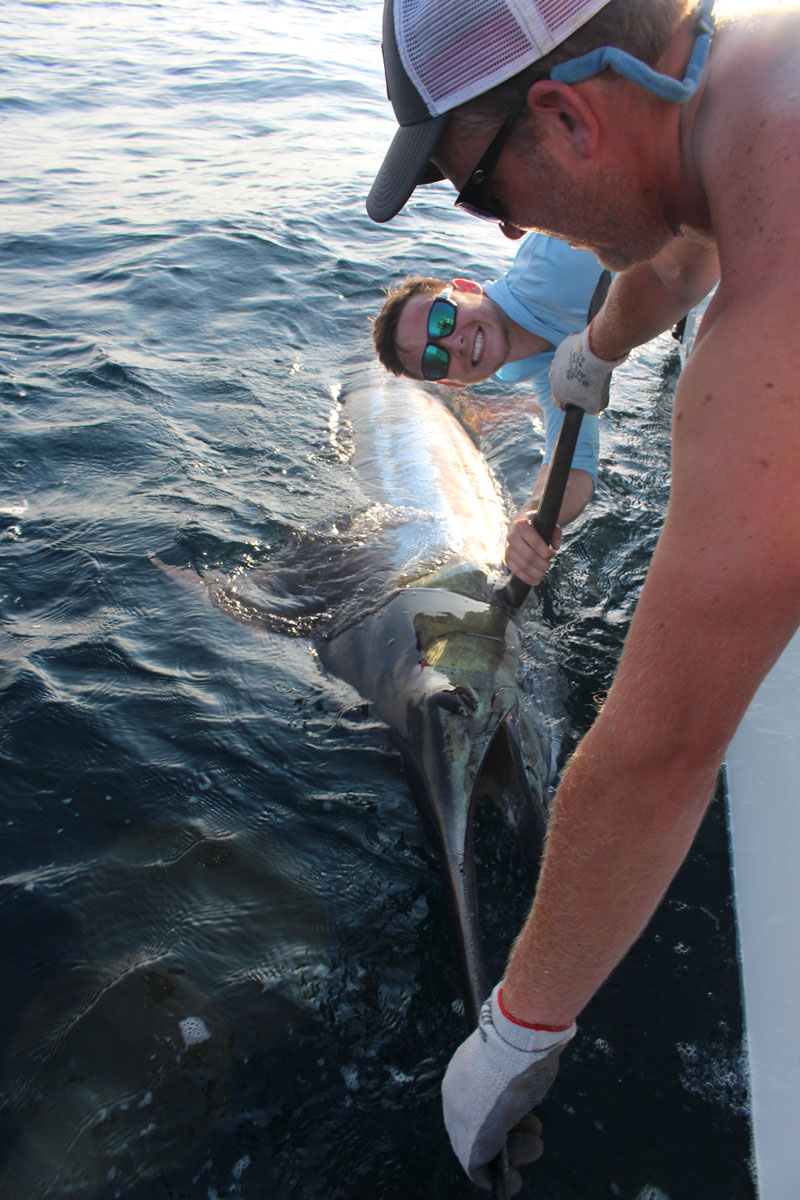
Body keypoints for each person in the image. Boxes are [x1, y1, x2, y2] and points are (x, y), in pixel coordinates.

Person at [364, 0, 799, 1192]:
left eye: (477, 188)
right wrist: (599, 350)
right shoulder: (750, 80)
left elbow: (660, 748)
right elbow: (675, 253)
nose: (500, 223)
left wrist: (519, 1026)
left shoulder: (764, 338)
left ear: (561, 116)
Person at [372, 232, 611, 585]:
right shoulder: (553, 369)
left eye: (442, 319)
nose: (453, 342)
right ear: (453, 384)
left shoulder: (554, 254)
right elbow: (576, 466)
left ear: (466, 286)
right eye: (435, 360)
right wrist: (534, 513)